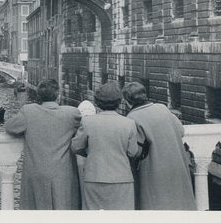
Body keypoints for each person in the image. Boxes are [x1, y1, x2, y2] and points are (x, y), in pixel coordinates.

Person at [5, 79, 81, 209]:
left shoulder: (28, 112)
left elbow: (10, 127)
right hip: (63, 174)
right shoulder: (72, 113)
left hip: (36, 174)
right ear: (58, 95)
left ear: (39, 96)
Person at [123, 82, 196, 210]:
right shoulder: (162, 108)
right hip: (176, 164)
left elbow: (135, 152)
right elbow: (181, 131)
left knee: (157, 205)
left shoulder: (132, 117)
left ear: (128, 101)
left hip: (154, 169)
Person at [71, 81, 138, 210]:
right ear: (119, 102)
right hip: (122, 178)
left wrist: (90, 151)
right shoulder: (129, 123)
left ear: (98, 102)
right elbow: (133, 152)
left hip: (94, 177)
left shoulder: (87, 122)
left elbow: (76, 147)